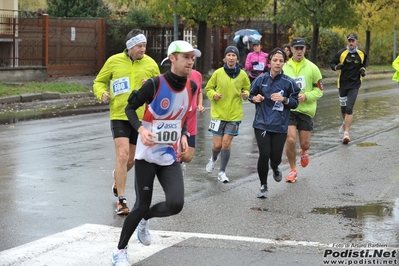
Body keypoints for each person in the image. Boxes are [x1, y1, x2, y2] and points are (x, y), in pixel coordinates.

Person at [111, 40, 201, 266]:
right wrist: (140, 129)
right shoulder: (154, 84)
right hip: (146, 157)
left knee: (176, 204)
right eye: (186, 57)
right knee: (141, 204)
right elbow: (130, 108)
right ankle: (120, 251)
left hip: (169, 157)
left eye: (192, 57)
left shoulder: (191, 87)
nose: (190, 61)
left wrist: (182, 135)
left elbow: (182, 116)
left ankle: (146, 220)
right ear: (173, 58)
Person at [93, 29, 160, 215]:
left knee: (131, 159)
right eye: (139, 46)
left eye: (144, 45)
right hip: (119, 115)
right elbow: (99, 81)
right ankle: (122, 200)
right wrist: (102, 93)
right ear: (130, 47)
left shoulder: (151, 64)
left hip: (140, 118)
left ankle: (117, 176)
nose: (143, 49)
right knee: (122, 156)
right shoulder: (114, 61)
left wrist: (151, 86)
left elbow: (160, 88)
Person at [249, 48, 300, 198]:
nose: (278, 63)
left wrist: (284, 99)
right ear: (269, 62)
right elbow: (251, 95)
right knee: (264, 154)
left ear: (284, 63)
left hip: (279, 124)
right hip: (262, 123)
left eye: (281, 61)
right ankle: (263, 185)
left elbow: (295, 102)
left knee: (275, 157)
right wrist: (254, 98)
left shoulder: (289, 83)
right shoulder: (261, 79)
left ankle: (275, 166)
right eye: (275, 60)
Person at [204, 46, 251, 183]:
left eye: (233, 55)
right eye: (229, 55)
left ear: (237, 58)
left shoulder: (242, 75)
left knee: (226, 143)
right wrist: (214, 95)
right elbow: (208, 88)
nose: (231, 58)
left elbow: (248, 89)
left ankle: (222, 172)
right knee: (217, 145)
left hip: (234, 115)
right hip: (218, 114)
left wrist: (245, 94)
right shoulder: (218, 73)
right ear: (225, 58)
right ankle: (213, 159)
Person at [282, 37, 324, 183]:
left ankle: (304, 151)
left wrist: (306, 96)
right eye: (296, 48)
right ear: (291, 49)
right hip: (290, 109)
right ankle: (293, 170)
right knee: (291, 139)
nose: (299, 51)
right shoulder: (284, 67)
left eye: (302, 48)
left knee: (304, 143)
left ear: (305, 50)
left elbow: (319, 91)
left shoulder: (313, 68)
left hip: (306, 110)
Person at [330, 32, 368, 144]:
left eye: (353, 41)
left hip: (355, 85)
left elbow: (364, 64)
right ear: (347, 42)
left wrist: (363, 70)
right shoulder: (341, 53)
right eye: (349, 41)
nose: (351, 43)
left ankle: (346, 133)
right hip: (342, 84)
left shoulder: (362, 53)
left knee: (349, 108)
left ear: (357, 42)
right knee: (343, 109)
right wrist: (337, 67)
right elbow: (332, 64)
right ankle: (344, 122)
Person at [180, 68, 205, 175]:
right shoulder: (174, 75)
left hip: (191, 119)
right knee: (177, 152)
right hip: (177, 119)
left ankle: (179, 163)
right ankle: (174, 170)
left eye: (192, 59)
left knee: (188, 156)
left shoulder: (197, 75)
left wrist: (199, 104)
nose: (190, 61)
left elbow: (199, 92)